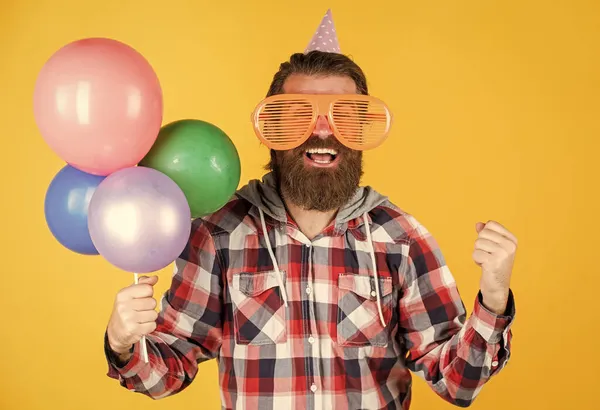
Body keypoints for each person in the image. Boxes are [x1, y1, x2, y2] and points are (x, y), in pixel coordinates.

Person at [103, 9, 517, 410]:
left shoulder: (402, 241)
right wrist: (122, 342)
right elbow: (168, 371)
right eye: (296, 116)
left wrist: (494, 297)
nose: (322, 130)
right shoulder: (219, 235)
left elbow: (458, 382)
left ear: (360, 132)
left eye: (344, 117)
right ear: (271, 133)